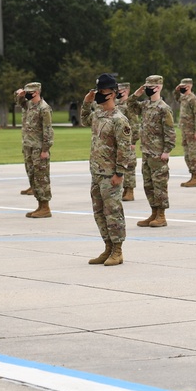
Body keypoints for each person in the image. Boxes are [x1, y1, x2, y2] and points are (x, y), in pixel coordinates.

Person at [80, 73, 133, 266]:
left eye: (102, 91)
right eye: (97, 91)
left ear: (112, 93)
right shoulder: (98, 115)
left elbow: (124, 149)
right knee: (99, 212)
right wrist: (86, 103)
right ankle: (107, 247)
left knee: (113, 212)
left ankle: (117, 250)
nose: (99, 95)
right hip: (97, 172)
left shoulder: (119, 119)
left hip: (111, 174)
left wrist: (119, 173)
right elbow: (84, 120)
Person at [128, 75, 176, 228]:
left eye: (151, 86)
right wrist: (137, 93)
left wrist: (167, 151)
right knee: (148, 185)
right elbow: (129, 105)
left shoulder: (163, 108)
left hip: (158, 152)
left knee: (159, 184)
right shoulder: (145, 105)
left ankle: (161, 215)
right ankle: (154, 212)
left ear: (159, 87)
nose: (147, 89)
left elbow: (170, 131)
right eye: (146, 86)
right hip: (147, 152)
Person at [16, 82, 54, 217]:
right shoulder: (29, 105)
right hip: (28, 147)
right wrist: (20, 96)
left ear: (36, 92)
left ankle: (45, 207)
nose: (26, 95)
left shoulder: (44, 108)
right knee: (32, 176)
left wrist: (45, 149)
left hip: (39, 149)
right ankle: (40, 205)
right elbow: (20, 103)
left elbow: (48, 130)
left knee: (41, 177)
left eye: (28, 92)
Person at [175, 78, 196, 187]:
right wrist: (176, 90)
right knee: (187, 155)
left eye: (184, 86)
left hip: (192, 132)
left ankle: (195, 178)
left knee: (193, 155)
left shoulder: (193, 99)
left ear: (189, 86)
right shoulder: (184, 98)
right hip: (185, 131)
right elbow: (176, 98)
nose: (182, 88)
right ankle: (192, 176)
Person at [115, 82, 141, 201]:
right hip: (117, 140)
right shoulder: (115, 105)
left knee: (129, 165)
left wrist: (133, 142)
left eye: (119, 90)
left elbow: (135, 125)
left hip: (128, 141)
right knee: (119, 165)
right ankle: (122, 190)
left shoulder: (129, 106)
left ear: (125, 91)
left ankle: (129, 191)